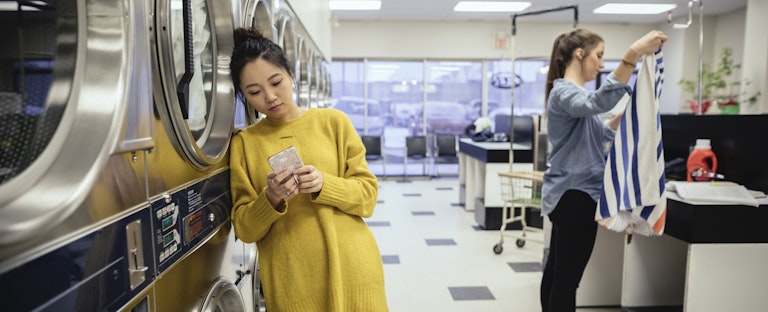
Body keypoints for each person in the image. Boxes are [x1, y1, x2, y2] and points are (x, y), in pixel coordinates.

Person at [228, 27, 388, 312]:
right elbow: (244, 228)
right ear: (243, 96)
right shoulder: (245, 144)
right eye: (254, 92)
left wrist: (323, 184)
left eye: (276, 82)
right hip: (293, 282)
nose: (270, 97)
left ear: (290, 74)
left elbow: (368, 198)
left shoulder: (334, 123)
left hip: (354, 268)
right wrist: (271, 198)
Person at [540, 28, 668, 312]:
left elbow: (596, 137)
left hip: (568, 196)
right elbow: (598, 102)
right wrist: (632, 55)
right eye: (599, 55)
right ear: (579, 54)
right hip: (575, 196)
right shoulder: (564, 92)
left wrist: (620, 120)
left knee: (557, 273)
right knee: (566, 280)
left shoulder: (571, 95)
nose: (601, 63)